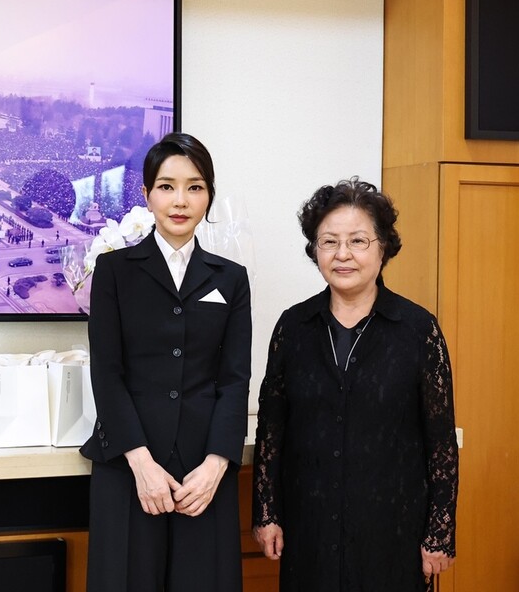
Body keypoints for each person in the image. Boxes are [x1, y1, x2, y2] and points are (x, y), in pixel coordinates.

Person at [251, 178, 458, 591]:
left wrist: (439, 533)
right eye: (329, 242)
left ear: (383, 247)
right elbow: (272, 429)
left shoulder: (418, 330)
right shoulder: (293, 328)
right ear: (315, 250)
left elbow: (440, 443)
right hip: (309, 531)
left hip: (393, 535)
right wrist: (267, 512)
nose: (342, 254)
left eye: (358, 241)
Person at [81, 132, 251, 592]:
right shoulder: (114, 272)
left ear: (209, 196)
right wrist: (141, 463)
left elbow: (235, 380)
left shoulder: (231, 279)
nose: (181, 200)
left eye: (195, 187)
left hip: (203, 474)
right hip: (129, 464)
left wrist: (217, 464)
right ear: (146, 194)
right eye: (167, 186)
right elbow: (107, 374)